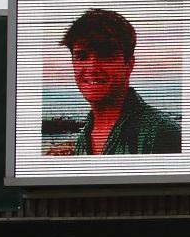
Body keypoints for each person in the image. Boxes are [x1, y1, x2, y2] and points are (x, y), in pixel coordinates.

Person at [60, 8, 181, 156]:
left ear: (129, 64)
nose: (92, 68)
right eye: (81, 56)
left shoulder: (161, 134)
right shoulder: (83, 139)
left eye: (105, 55)